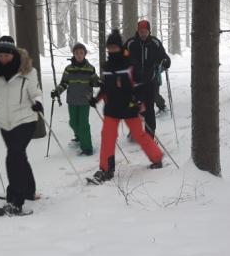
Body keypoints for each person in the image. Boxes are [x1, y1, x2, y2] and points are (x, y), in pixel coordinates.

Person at [0, 36, 43, 216]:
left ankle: (15, 201)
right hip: (5, 123)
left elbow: (36, 92)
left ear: (13, 54)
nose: (3, 58)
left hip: (26, 119)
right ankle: (29, 190)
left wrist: (38, 102)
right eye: (1, 55)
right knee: (18, 156)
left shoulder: (27, 72)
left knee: (13, 156)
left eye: (7, 55)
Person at [89, 30, 163, 183]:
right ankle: (106, 169)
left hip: (129, 107)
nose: (112, 50)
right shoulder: (107, 66)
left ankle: (157, 158)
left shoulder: (130, 64)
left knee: (140, 135)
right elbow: (105, 87)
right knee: (107, 137)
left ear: (120, 47)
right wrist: (96, 99)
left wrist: (139, 101)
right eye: (109, 47)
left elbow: (140, 85)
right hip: (112, 109)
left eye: (114, 47)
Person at [50, 42, 100, 156]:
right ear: (73, 54)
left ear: (85, 54)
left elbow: (95, 82)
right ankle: (79, 137)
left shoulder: (90, 69)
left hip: (84, 100)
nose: (79, 55)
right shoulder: (69, 69)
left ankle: (87, 148)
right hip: (72, 100)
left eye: (81, 53)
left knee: (83, 124)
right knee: (73, 122)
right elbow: (64, 83)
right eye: (77, 53)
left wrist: (99, 82)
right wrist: (57, 91)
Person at [124, 19, 171, 136]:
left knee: (149, 108)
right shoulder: (131, 43)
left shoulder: (155, 42)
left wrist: (165, 61)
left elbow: (163, 56)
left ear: (149, 31)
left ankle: (150, 134)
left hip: (151, 81)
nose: (143, 34)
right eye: (141, 31)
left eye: (145, 31)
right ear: (137, 31)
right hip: (134, 82)